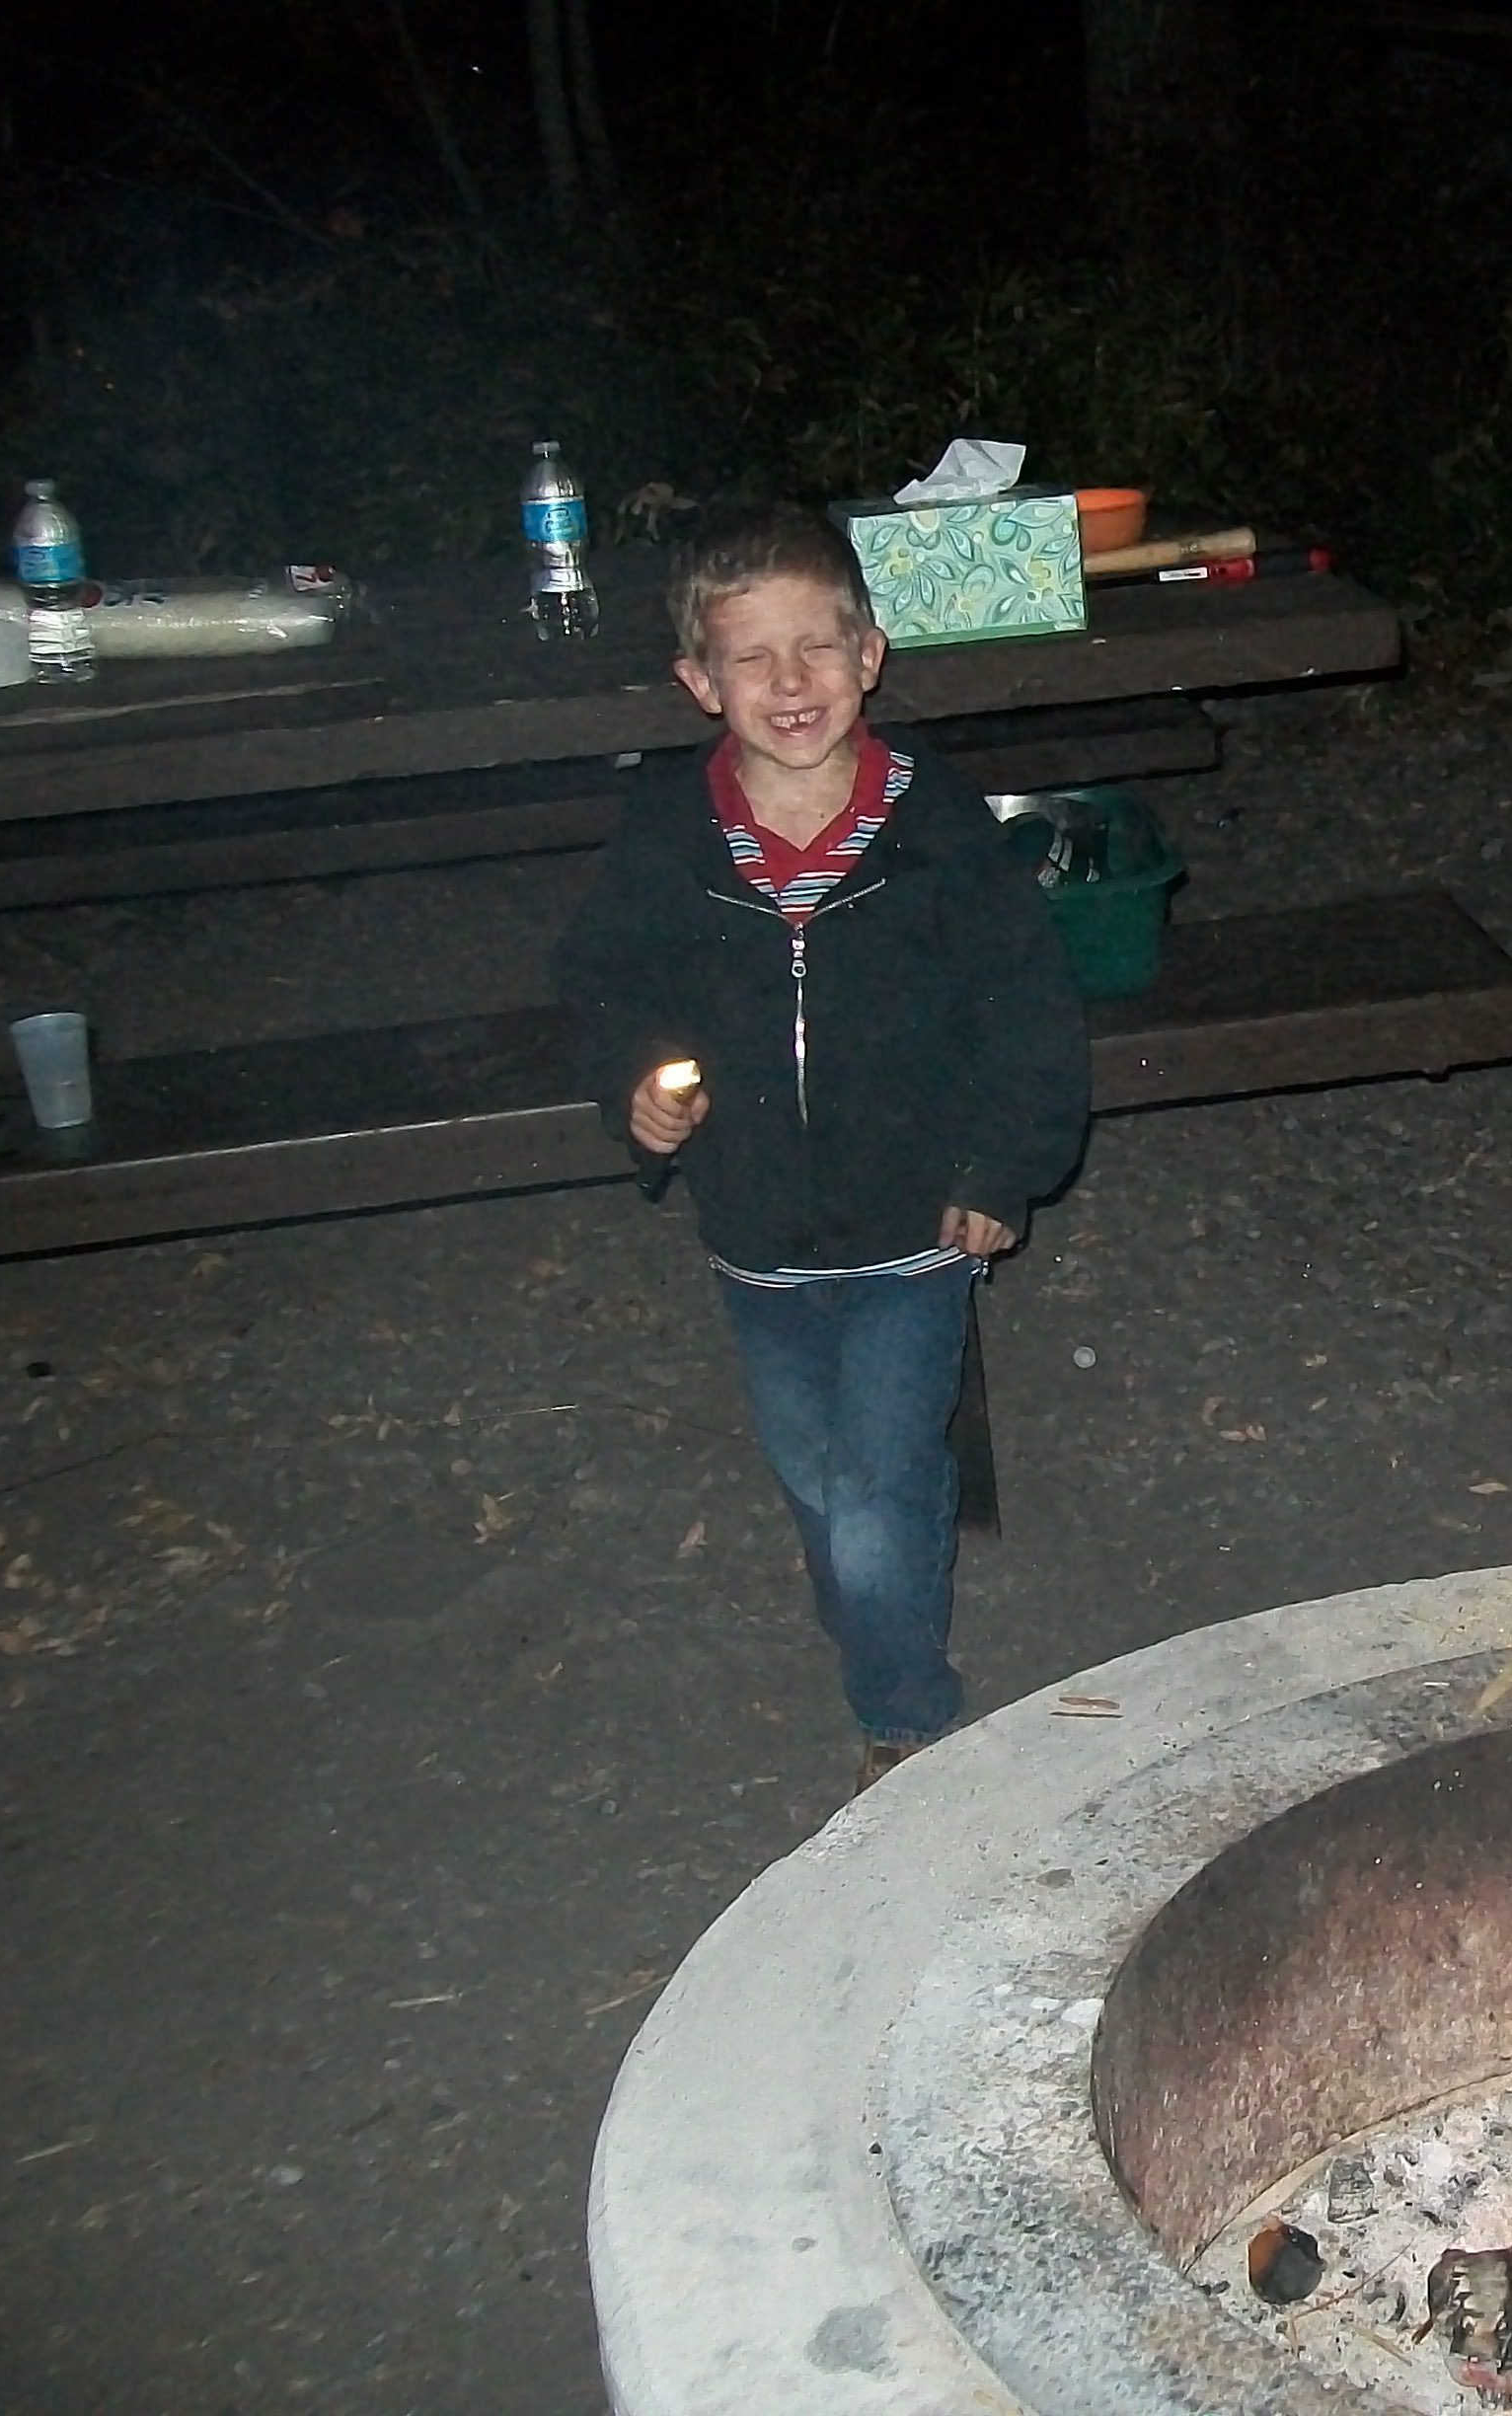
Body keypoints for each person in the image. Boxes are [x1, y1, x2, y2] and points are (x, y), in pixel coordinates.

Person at [554, 505, 1090, 1791]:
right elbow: (605, 984)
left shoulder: (937, 826)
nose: (790, 681)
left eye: (817, 647)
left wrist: (999, 1167)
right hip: (757, 1232)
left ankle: (903, 1720)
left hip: (915, 1225)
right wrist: (637, 1087)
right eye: (752, 657)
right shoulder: (670, 831)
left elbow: (1025, 1010)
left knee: (875, 1496)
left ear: (869, 656)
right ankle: (883, 1599)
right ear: (700, 682)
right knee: (818, 1477)